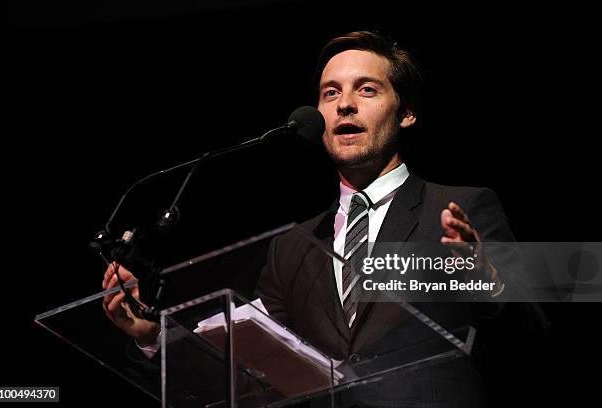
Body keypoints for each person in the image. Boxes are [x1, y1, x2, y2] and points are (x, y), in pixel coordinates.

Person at [102, 31, 538, 407]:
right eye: (331, 93)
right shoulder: (292, 246)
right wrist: (151, 334)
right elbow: (242, 368)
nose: (344, 105)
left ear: (406, 112)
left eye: (367, 90)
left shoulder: (464, 207)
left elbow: (534, 335)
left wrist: (488, 280)